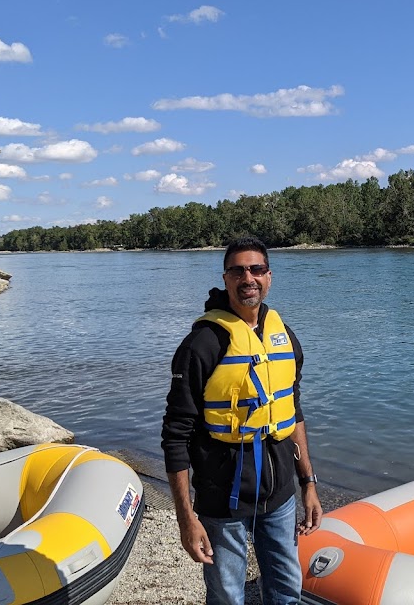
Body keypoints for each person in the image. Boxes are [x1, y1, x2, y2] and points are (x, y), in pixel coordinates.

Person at [162, 237, 323, 605]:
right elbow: (175, 435)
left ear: (269, 277)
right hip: (223, 499)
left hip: (280, 495)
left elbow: (292, 411)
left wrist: (308, 484)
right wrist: (186, 518)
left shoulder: (284, 337)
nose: (248, 278)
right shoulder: (202, 344)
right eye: (237, 271)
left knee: (287, 590)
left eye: (256, 269)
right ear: (225, 278)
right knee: (227, 596)